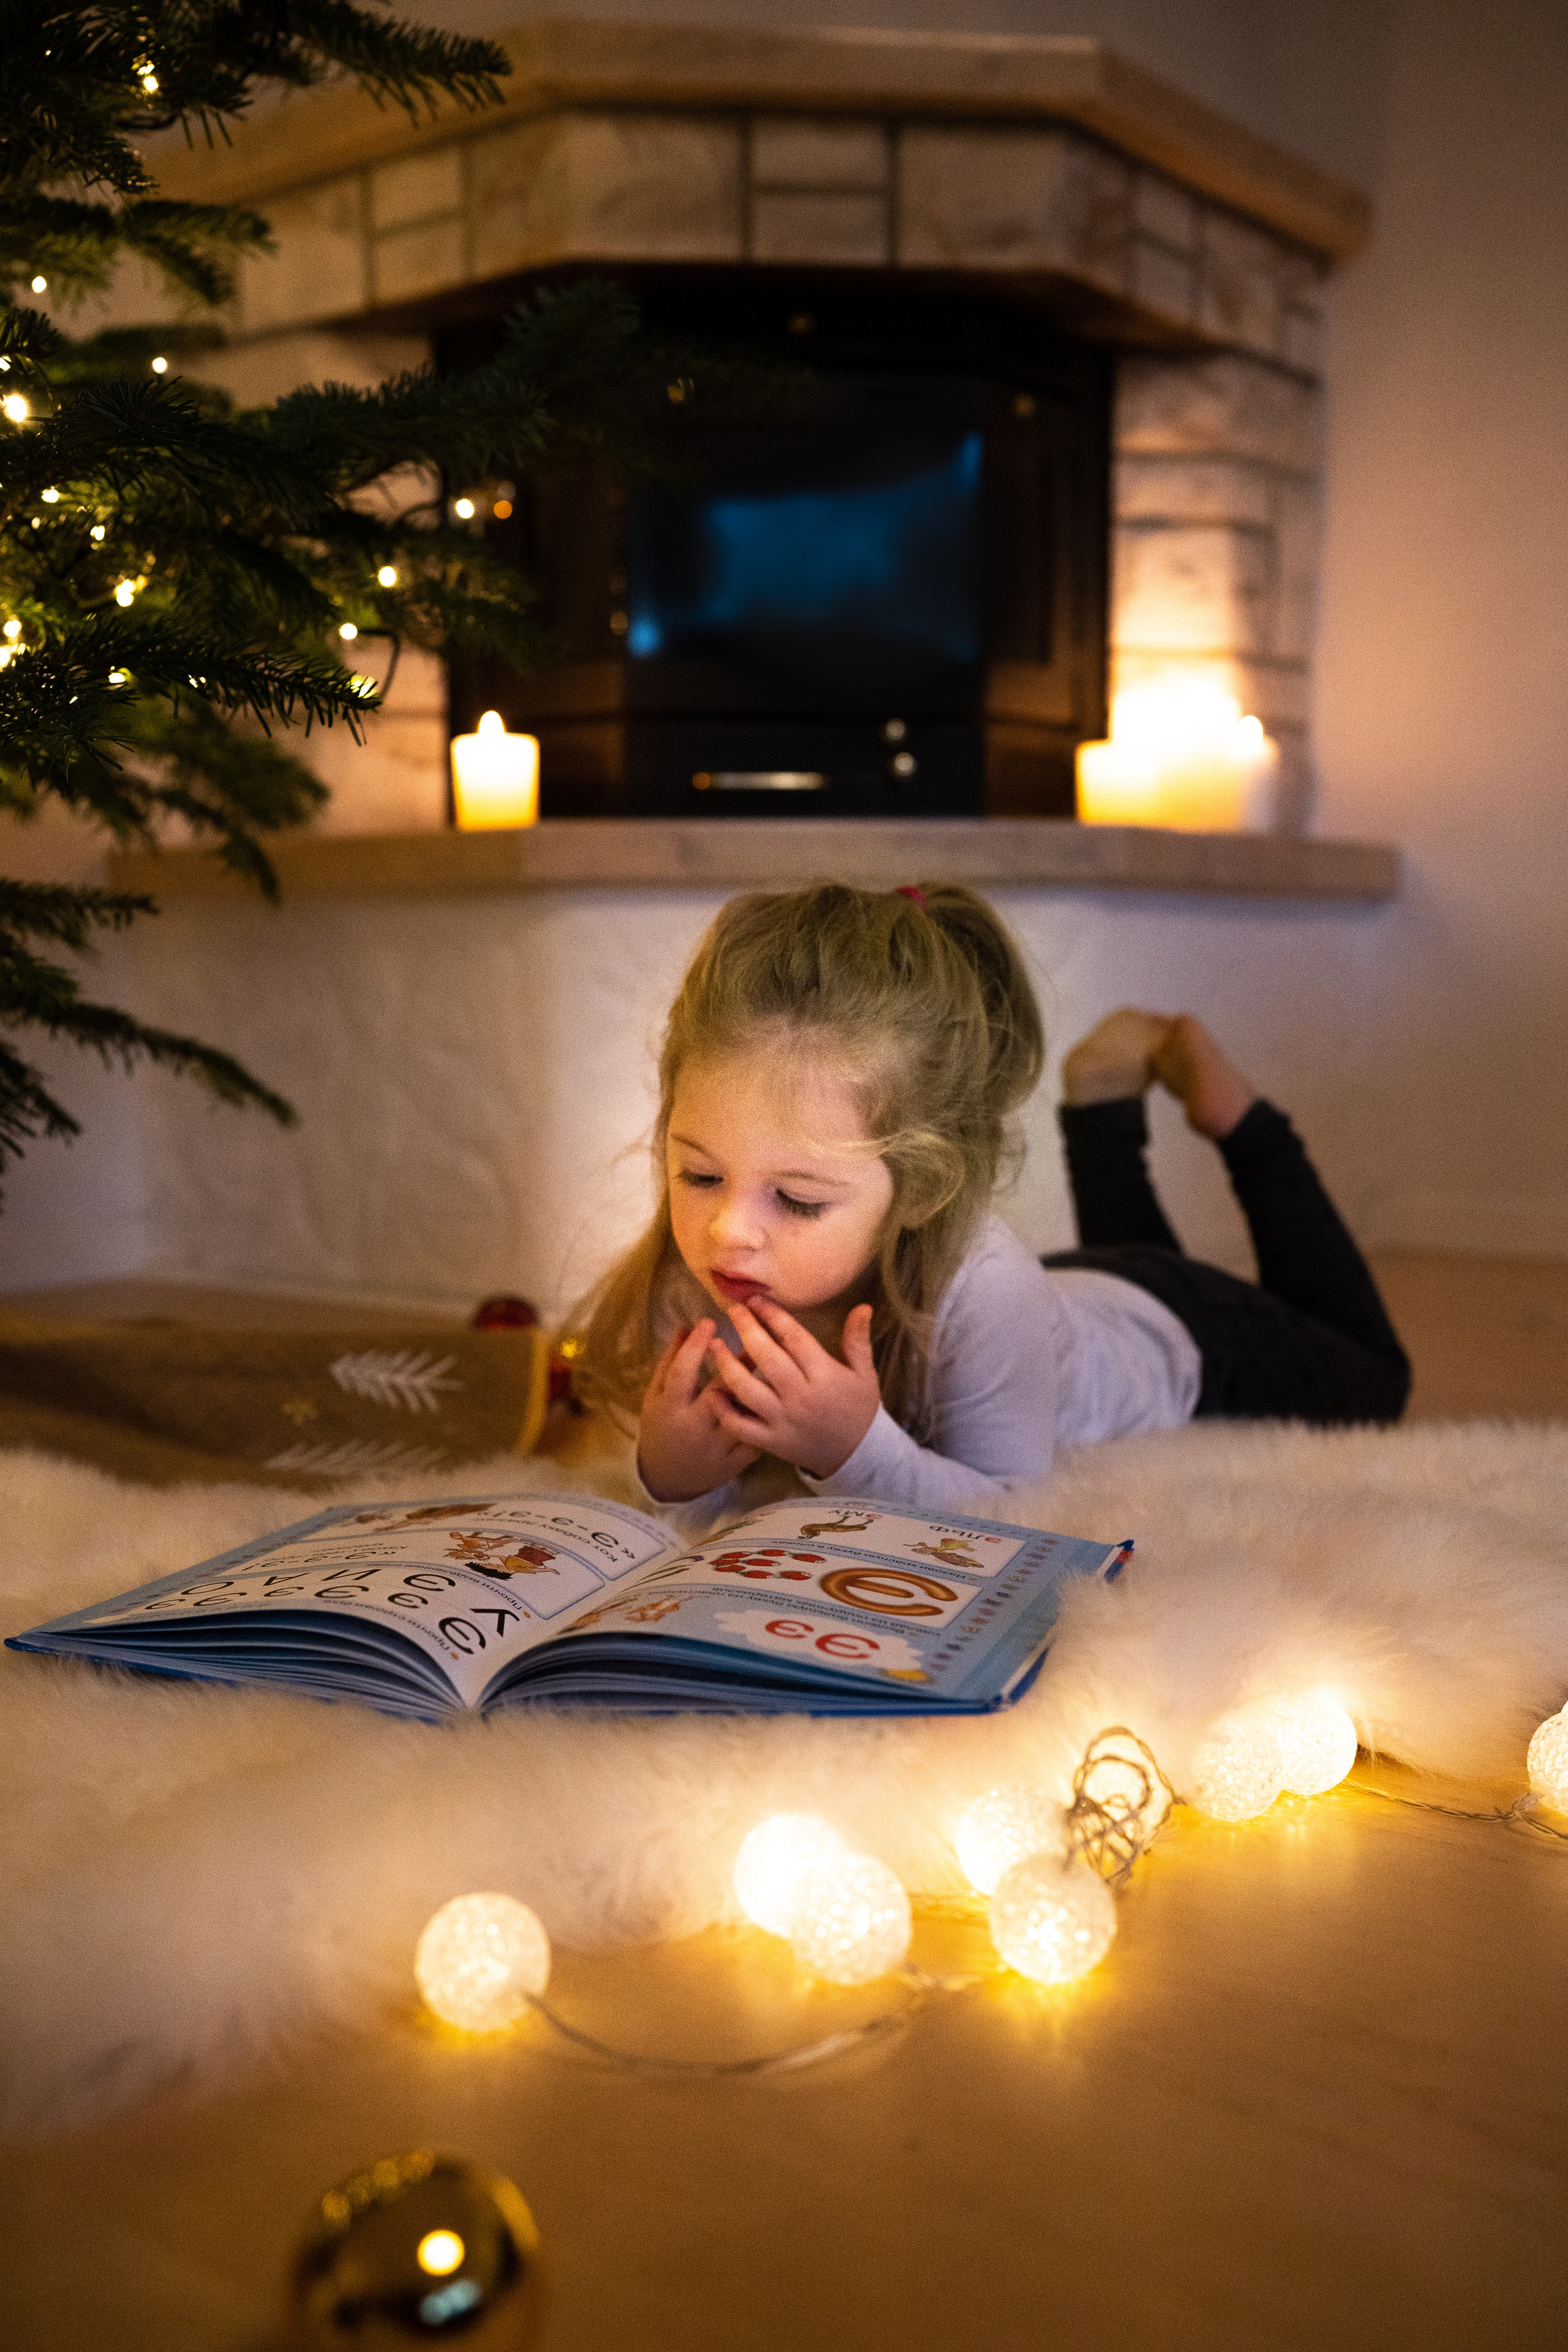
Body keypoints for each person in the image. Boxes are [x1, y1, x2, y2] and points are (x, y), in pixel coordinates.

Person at [571, 883, 1408, 1524]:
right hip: (1070, 1305)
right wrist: (671, 1474)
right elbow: (699, 1514)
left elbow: (1009, 1513)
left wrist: (854, 1451)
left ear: (923, 1191)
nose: (727, 1230)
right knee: (1144, 1271)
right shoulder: (699, 1285)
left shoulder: (983, 1287)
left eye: (795, 1198)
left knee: (1374, 1378)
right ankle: (1106, 1112)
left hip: (1185, 1339)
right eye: (700, 1175)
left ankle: (1235, 1121)